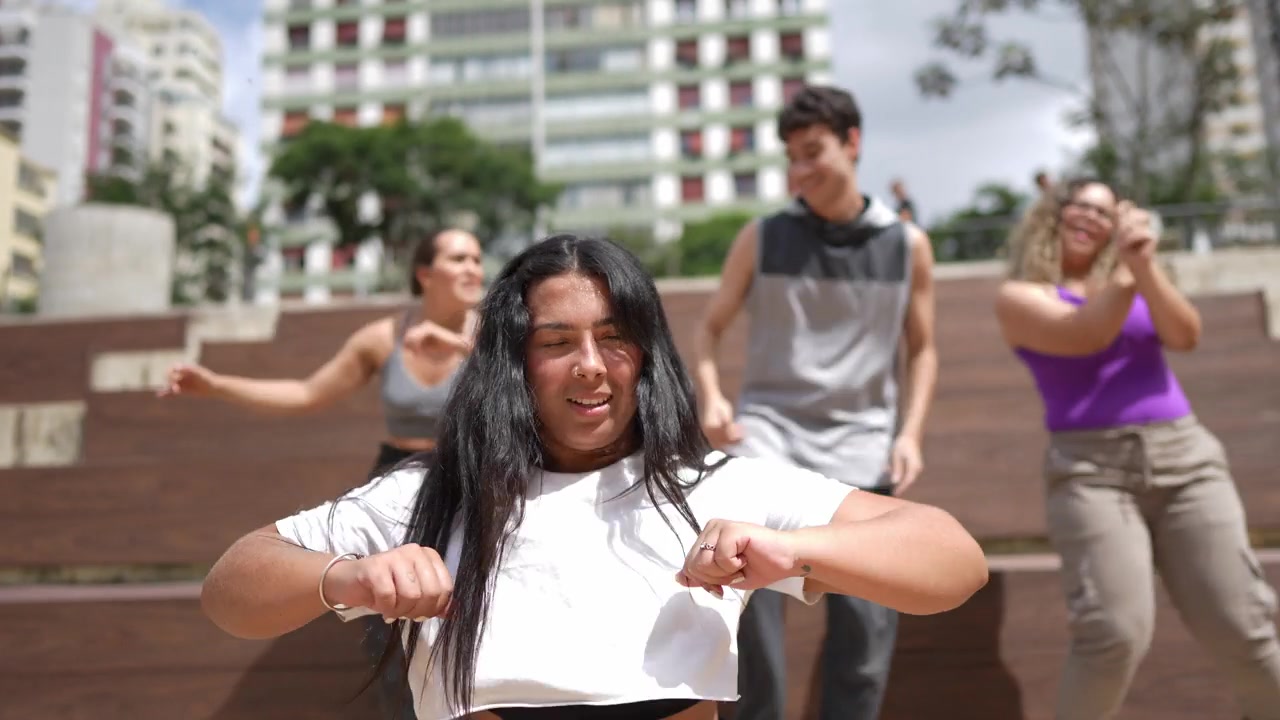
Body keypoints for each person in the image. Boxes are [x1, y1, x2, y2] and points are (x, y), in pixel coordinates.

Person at [200, 235, 988, 720]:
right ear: (513, 361)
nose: (590, 365)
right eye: (556, 342)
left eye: (615, 338)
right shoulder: (429, 494)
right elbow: (232, 588)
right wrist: (350, 577)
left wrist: (798, 551)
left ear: (646, 355)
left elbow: (952, 560)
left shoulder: (713, 488)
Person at [692, 85, 938, 720]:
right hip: (770, 441)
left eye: (813, 152)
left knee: (865, 638)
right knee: (746, 617)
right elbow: (709, 330)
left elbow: (923, 350)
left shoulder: (907, 244)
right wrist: (713, 398)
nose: (800, 171)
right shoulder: (762, 236)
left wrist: (910, 434)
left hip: (862, 446)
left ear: (853, 143)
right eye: (791, 158)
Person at [996, 178, 1280, 720]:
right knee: (1113, 633)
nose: (1091, 218)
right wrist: (1130, 271)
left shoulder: (1134, 274)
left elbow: (1186, 334)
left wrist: (1144, 265)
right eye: (1082, 206)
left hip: (1186, 459)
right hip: (1090, 471)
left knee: (1244, 626)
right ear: (1055, 213)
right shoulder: (1020, 296)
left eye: (1106, 213)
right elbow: (1088, 334)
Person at [160, 228, 485, 479]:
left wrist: (459, 345)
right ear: (425, 274)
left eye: (477, 260)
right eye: (459, 259)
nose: (473, 269)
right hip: (397, 476)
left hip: (470, 476)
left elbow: (513, 392)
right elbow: (306, 393)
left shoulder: (494, 335)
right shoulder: (382, 338)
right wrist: (215, 385)